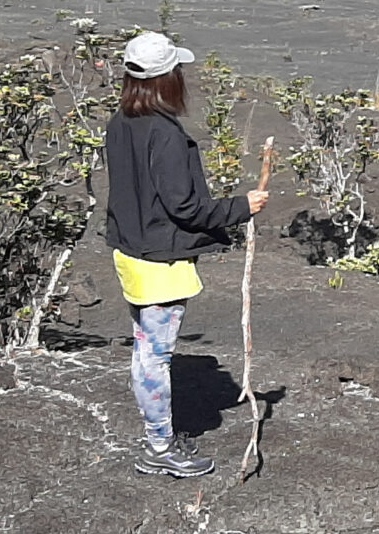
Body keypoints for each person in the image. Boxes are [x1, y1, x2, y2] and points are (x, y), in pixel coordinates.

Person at [104, 31, 268, 478]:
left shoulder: (121, 122)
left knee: (144, 350)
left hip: (131, 251)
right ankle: (159, 447)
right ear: (167, 78)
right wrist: (241, 208)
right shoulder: (165, 134)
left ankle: (155, 437)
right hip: (160, 261)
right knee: (155, 355)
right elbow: (185, 206)